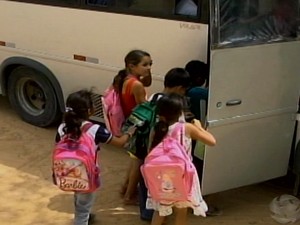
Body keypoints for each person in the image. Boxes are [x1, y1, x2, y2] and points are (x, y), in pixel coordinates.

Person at [55, 89, 136, 225]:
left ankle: (82, 215)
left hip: (67, 170)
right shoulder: (95, 129)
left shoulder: (62, 127)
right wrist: (130, 132)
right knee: (84, 207)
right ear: (89, 111)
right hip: (87, 173)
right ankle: (82, 219)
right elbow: (120, 142)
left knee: (78, 195)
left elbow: (58, 144)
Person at [146, 93, 216, 225]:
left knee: (160, 211)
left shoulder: (157, 129)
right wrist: (199, 127)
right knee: (181, 211)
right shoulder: (186, 128)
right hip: (182, 176)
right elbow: (212, 141)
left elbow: (150, 152)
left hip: (161, 177)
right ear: (180, 112)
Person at [139, 68, 192, 221]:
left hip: (152, 151)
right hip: (170, 155)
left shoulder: (154, 97)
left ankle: (147, 212)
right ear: (179, 88)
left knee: (148, 183)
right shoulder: (175, 108)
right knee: (170, 187)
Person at [185, 60, 222, 216]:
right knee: (198, 167)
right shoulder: (198, 92)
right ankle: (197, 201)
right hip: (198, 133)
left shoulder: (186, 90)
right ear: (200, 78)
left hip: (188, 135)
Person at [116, 49, 153, 205]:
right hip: (138, 128)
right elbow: (144, 107)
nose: (148, 67)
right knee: (138, 163)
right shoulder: (136, 85)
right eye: (145, 65)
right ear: (132, 66)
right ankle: (129, 196)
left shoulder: (127, 79)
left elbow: (148, 82)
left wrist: (147, 72)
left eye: (150, 64)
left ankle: (125, 189)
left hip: (130, 126)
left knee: (133, 161)